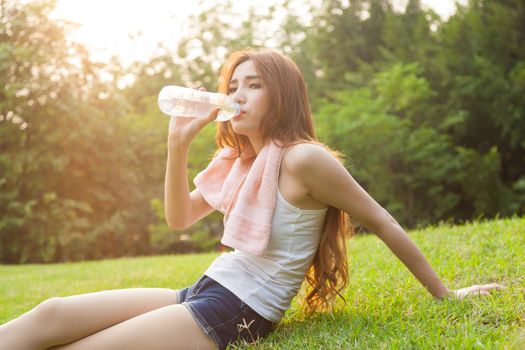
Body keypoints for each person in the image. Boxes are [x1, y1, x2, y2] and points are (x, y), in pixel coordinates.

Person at [0, 49, 503, 350]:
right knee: (51, 314)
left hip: (237, 309)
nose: (237, 94)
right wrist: (176, 146)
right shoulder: (239, 162)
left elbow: (383, 221)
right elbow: (179, 218)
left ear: (280, 97)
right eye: (233, 85)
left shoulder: (304, 159)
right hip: (202, 291)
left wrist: (445, 294)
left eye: (254, 85)